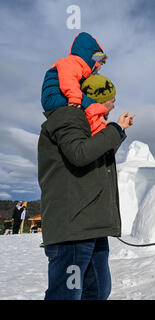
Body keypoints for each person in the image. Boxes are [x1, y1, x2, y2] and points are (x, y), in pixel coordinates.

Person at [38, 74, 135, 300]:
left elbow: (92, 157)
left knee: (98, 291)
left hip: (91, 225)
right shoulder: (67, 117)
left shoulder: (86, 122)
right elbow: (80, 154)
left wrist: (117, 132)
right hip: (72, 228)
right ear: (101, 98)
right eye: (113, 100)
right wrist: (115, 129)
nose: (114, 105)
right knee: (67, 294)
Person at [41, 32, 110, 136]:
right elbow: (68, 80)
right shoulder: (71, 62)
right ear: (93, 59)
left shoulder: (81, 68)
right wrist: (75, 99)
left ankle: (96, 128)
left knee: (90, 104)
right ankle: (100, 127)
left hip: (61, 96)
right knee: (92, 105)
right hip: (55, 95)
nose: (100, 67)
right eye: (100, 63)